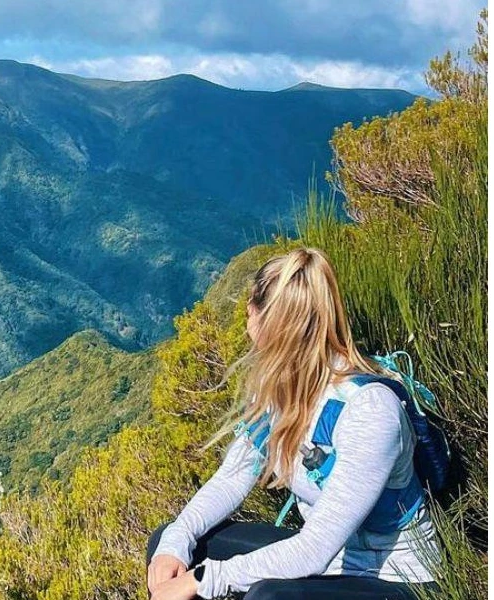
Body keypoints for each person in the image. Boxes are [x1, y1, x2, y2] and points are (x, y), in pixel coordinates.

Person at [144, 248, 441, 600]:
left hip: (399, 581)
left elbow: (313, 549)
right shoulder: (280, 394)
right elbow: (232, 479)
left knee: (271, 598)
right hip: (328, 567)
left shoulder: (370, 410)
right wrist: (175, 543)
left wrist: (202, 580)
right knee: (170, 544)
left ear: (258, 318)